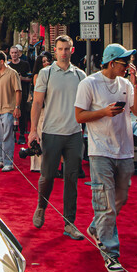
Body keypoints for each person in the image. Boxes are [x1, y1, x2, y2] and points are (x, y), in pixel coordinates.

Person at [75, 43, 137, 272]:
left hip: (124, 150)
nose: (128, 67)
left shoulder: (126, 83)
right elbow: (79, 116)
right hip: (100, 150)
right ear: (112, 62)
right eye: (125, 63)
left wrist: (136, 83)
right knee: (105, 202)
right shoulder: (89, 83)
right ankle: (110, 252)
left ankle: (97, 227)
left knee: (120, 198)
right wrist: (104, 112)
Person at [28, 35, 86, 240]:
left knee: (72, 179)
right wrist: (33, 130)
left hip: (74, 134)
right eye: (60, 49)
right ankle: (41, 206)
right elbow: (37, 103)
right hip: (51, 132)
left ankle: (69, 223)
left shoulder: (80, 75)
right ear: (55, 51)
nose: (63, 52)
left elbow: (87, 104)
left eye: (66, 49)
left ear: (72, 49)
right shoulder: (46, 73)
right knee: (48, 176)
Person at [8, 45, 33, 145]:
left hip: (23, 92)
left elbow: (30, 79)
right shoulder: (8, 66)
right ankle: (13, 134)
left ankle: (22, 134)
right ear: (10, 54)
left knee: (22, 113)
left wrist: (22, 78)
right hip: (11, 93)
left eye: (16, 53)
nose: (14, 55)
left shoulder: (25, 64)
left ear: (19, 53)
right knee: (11, 114)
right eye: (12, 53)